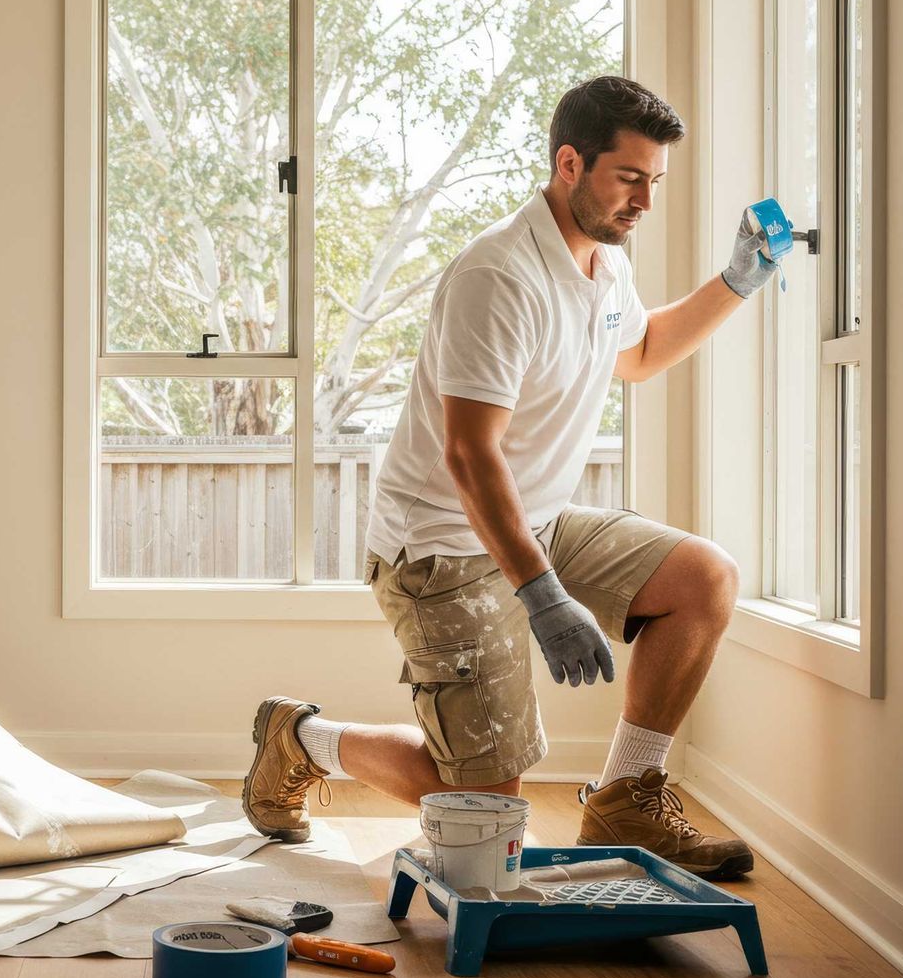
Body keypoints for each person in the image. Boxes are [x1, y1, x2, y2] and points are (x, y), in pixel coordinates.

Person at [243, 76, 777, 879]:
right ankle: (300, 737)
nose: (645, 202)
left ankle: (628, 797)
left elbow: (637, 355)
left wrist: (735, 282)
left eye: (654, 181)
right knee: (490, 818)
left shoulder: (603, 264)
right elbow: (469, 453)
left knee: (703, 578)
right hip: (440, 548)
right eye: (629, 178)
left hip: (538, 518)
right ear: (569, 163)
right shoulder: (499, 276)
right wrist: (541, 591)